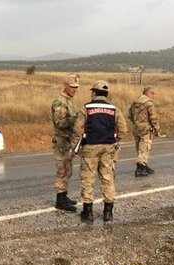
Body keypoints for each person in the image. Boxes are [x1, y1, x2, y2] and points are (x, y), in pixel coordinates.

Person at [71, 80, 128, 222]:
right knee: (107, 178)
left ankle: (88, 212)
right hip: (108, 148)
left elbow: (77, 130)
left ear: (94, 92)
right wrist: (114, 140)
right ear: (106, 94)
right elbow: (123, 130)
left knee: (88, 179)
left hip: (90, 147)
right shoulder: (114, 109)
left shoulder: (86, 108)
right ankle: (108, 213)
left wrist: (75, 148)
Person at [50, 73, 81, 212]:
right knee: (62, 170)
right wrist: (75, 120)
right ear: (65, 86)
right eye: (72, 87)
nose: (75, 89)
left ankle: (64, 194)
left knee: (68, 170)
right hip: (62, 141)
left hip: (68, 141)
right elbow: (60, 122)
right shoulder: (60, 102)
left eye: (76, 87)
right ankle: (60, 199)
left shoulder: (69, 100)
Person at [128, 86, 160, 177]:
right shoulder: (149, 103)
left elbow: (129, 115)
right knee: (144, 148)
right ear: (148, 92)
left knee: (139, 148)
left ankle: (144, 166)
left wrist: (136, 122)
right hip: (146, 129)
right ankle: (140, 169)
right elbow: (153, 118)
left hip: (136, 128)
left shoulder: (135, 101)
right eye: (152, 93)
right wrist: (156, 129)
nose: (153, 95)